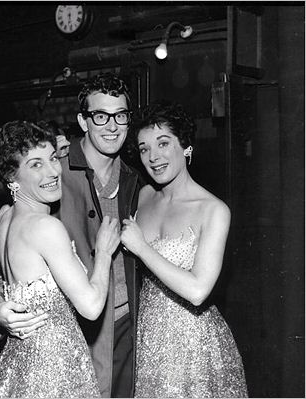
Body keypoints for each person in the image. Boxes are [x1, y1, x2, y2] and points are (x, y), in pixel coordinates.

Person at [0, 73, 142, 397]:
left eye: (120, 116)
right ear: (83, 121)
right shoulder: (53, 180)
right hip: (67, 347)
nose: (112, 126)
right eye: (101, 116)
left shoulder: (138, 179)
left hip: (125, 329)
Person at [120, 102, 248, 398]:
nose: (153, 157)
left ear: (186, 147)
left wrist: (141, 247)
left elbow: (198, 290)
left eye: (163, 143)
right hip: (148, 340)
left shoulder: (213, 210)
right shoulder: (144, 196)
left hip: (194, 345)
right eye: (143, 148)